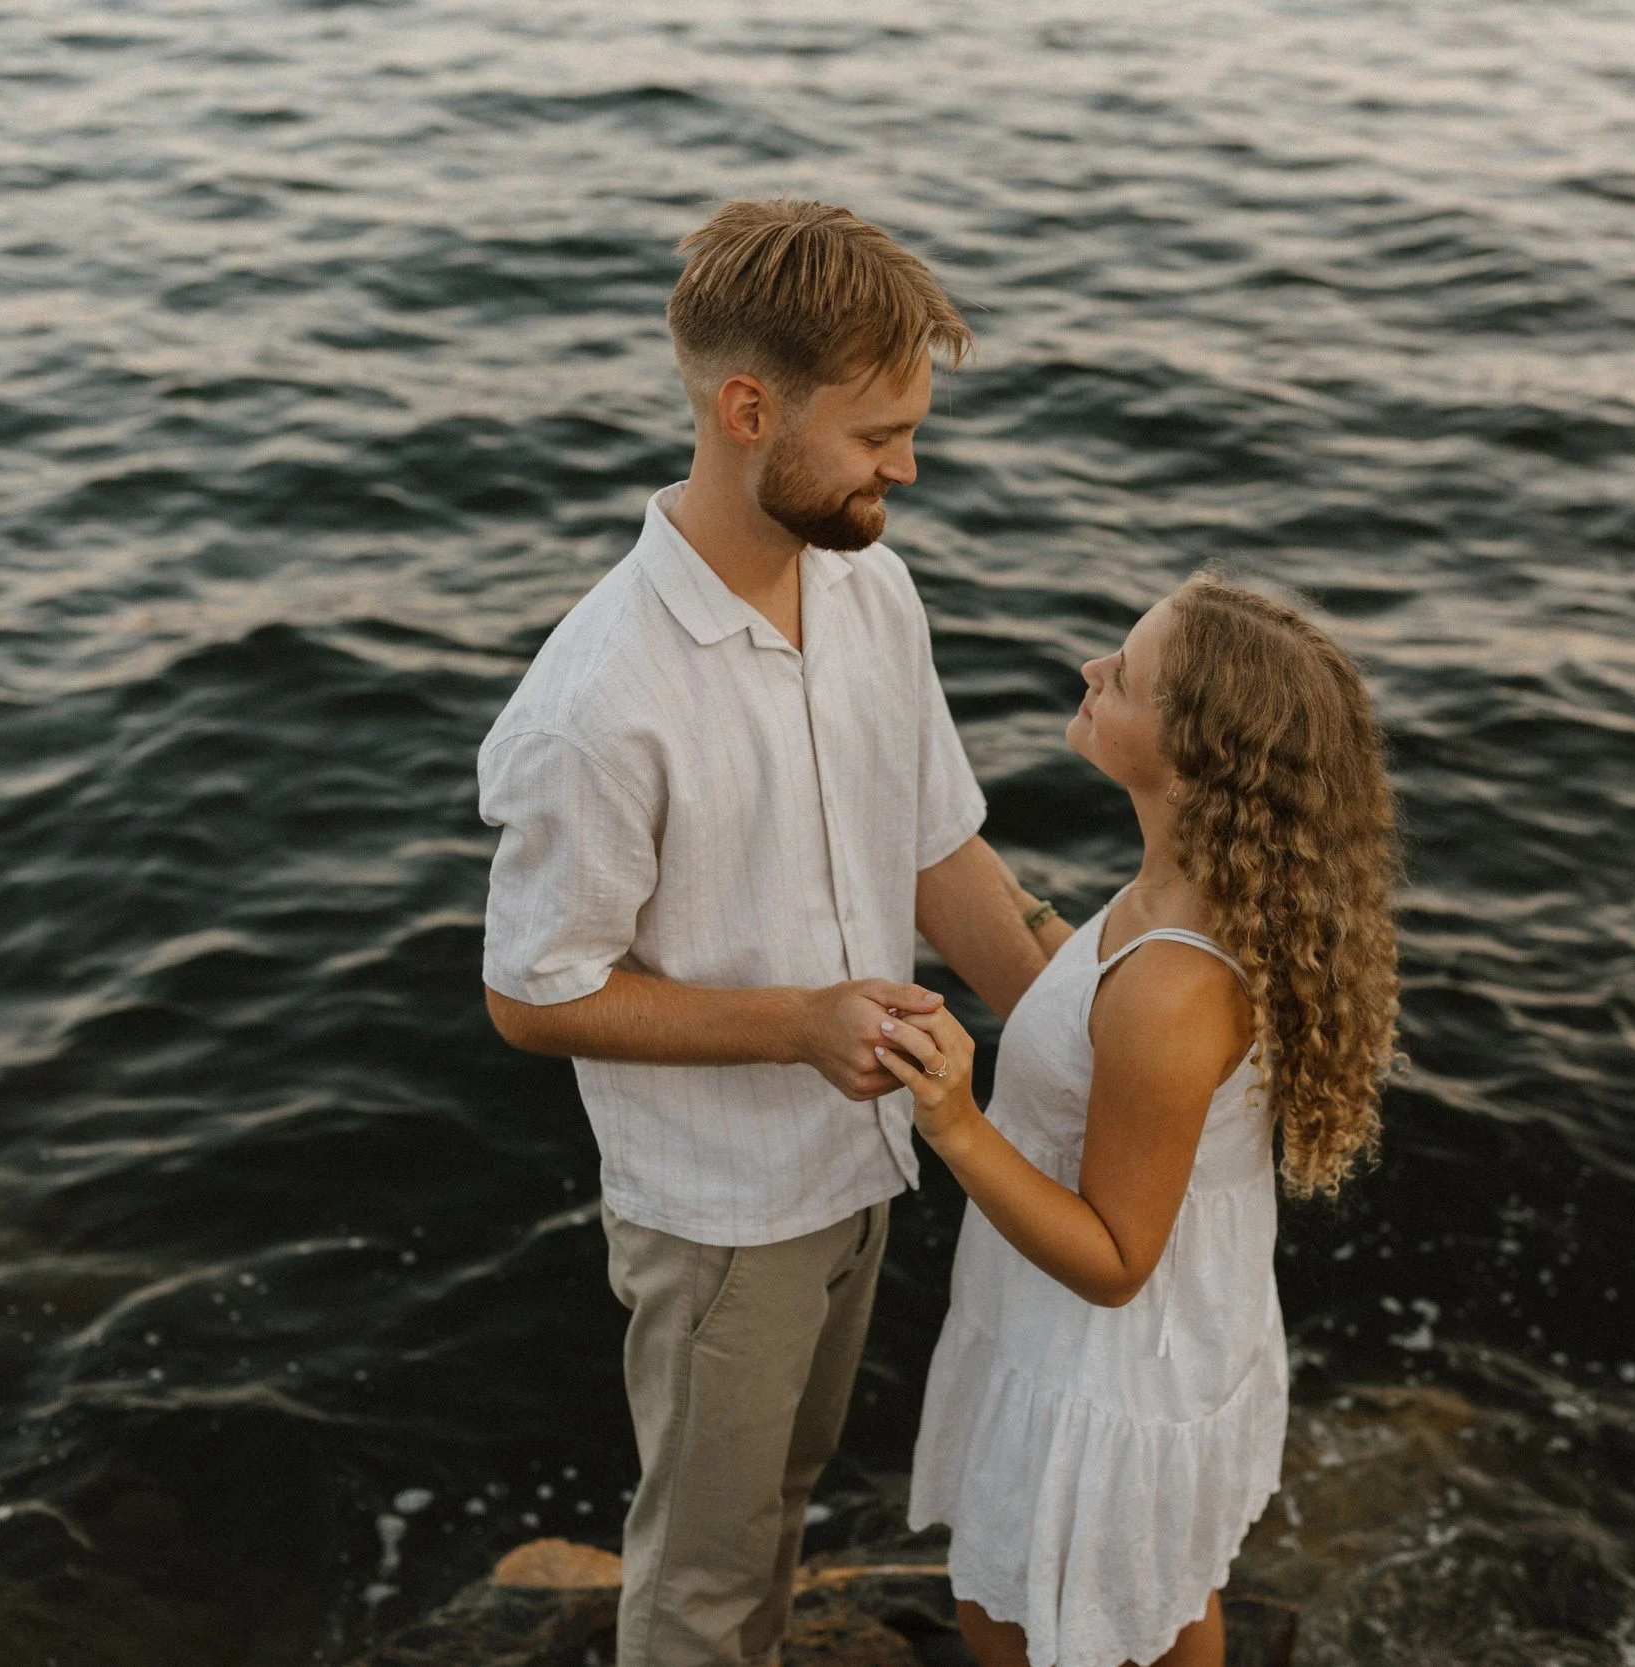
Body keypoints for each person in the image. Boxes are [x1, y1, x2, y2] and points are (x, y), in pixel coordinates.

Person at [476, 199, 1059, 1667]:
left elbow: (937, 844)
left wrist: (1086, 1021)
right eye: (878, 438)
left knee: (785, 1504)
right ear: (750, 410)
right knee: (703, 1568)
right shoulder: (598, 701)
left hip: (861, 1166)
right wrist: (800, 1025)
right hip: (721, 1213)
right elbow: (535, 995)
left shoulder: (875, 588)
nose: (906, 469)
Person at [875, 576, 1401, 1667]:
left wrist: (956, 1118)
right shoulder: (1191, 893)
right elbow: (1088, 1001)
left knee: (1019, 1620)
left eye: (1125, 673)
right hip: (1147, 1344)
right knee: (1159, 1609)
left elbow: (1116, 1258)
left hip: (1103, 1361)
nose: (1090, 671)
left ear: (1195, 755)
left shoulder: (1175, 985)